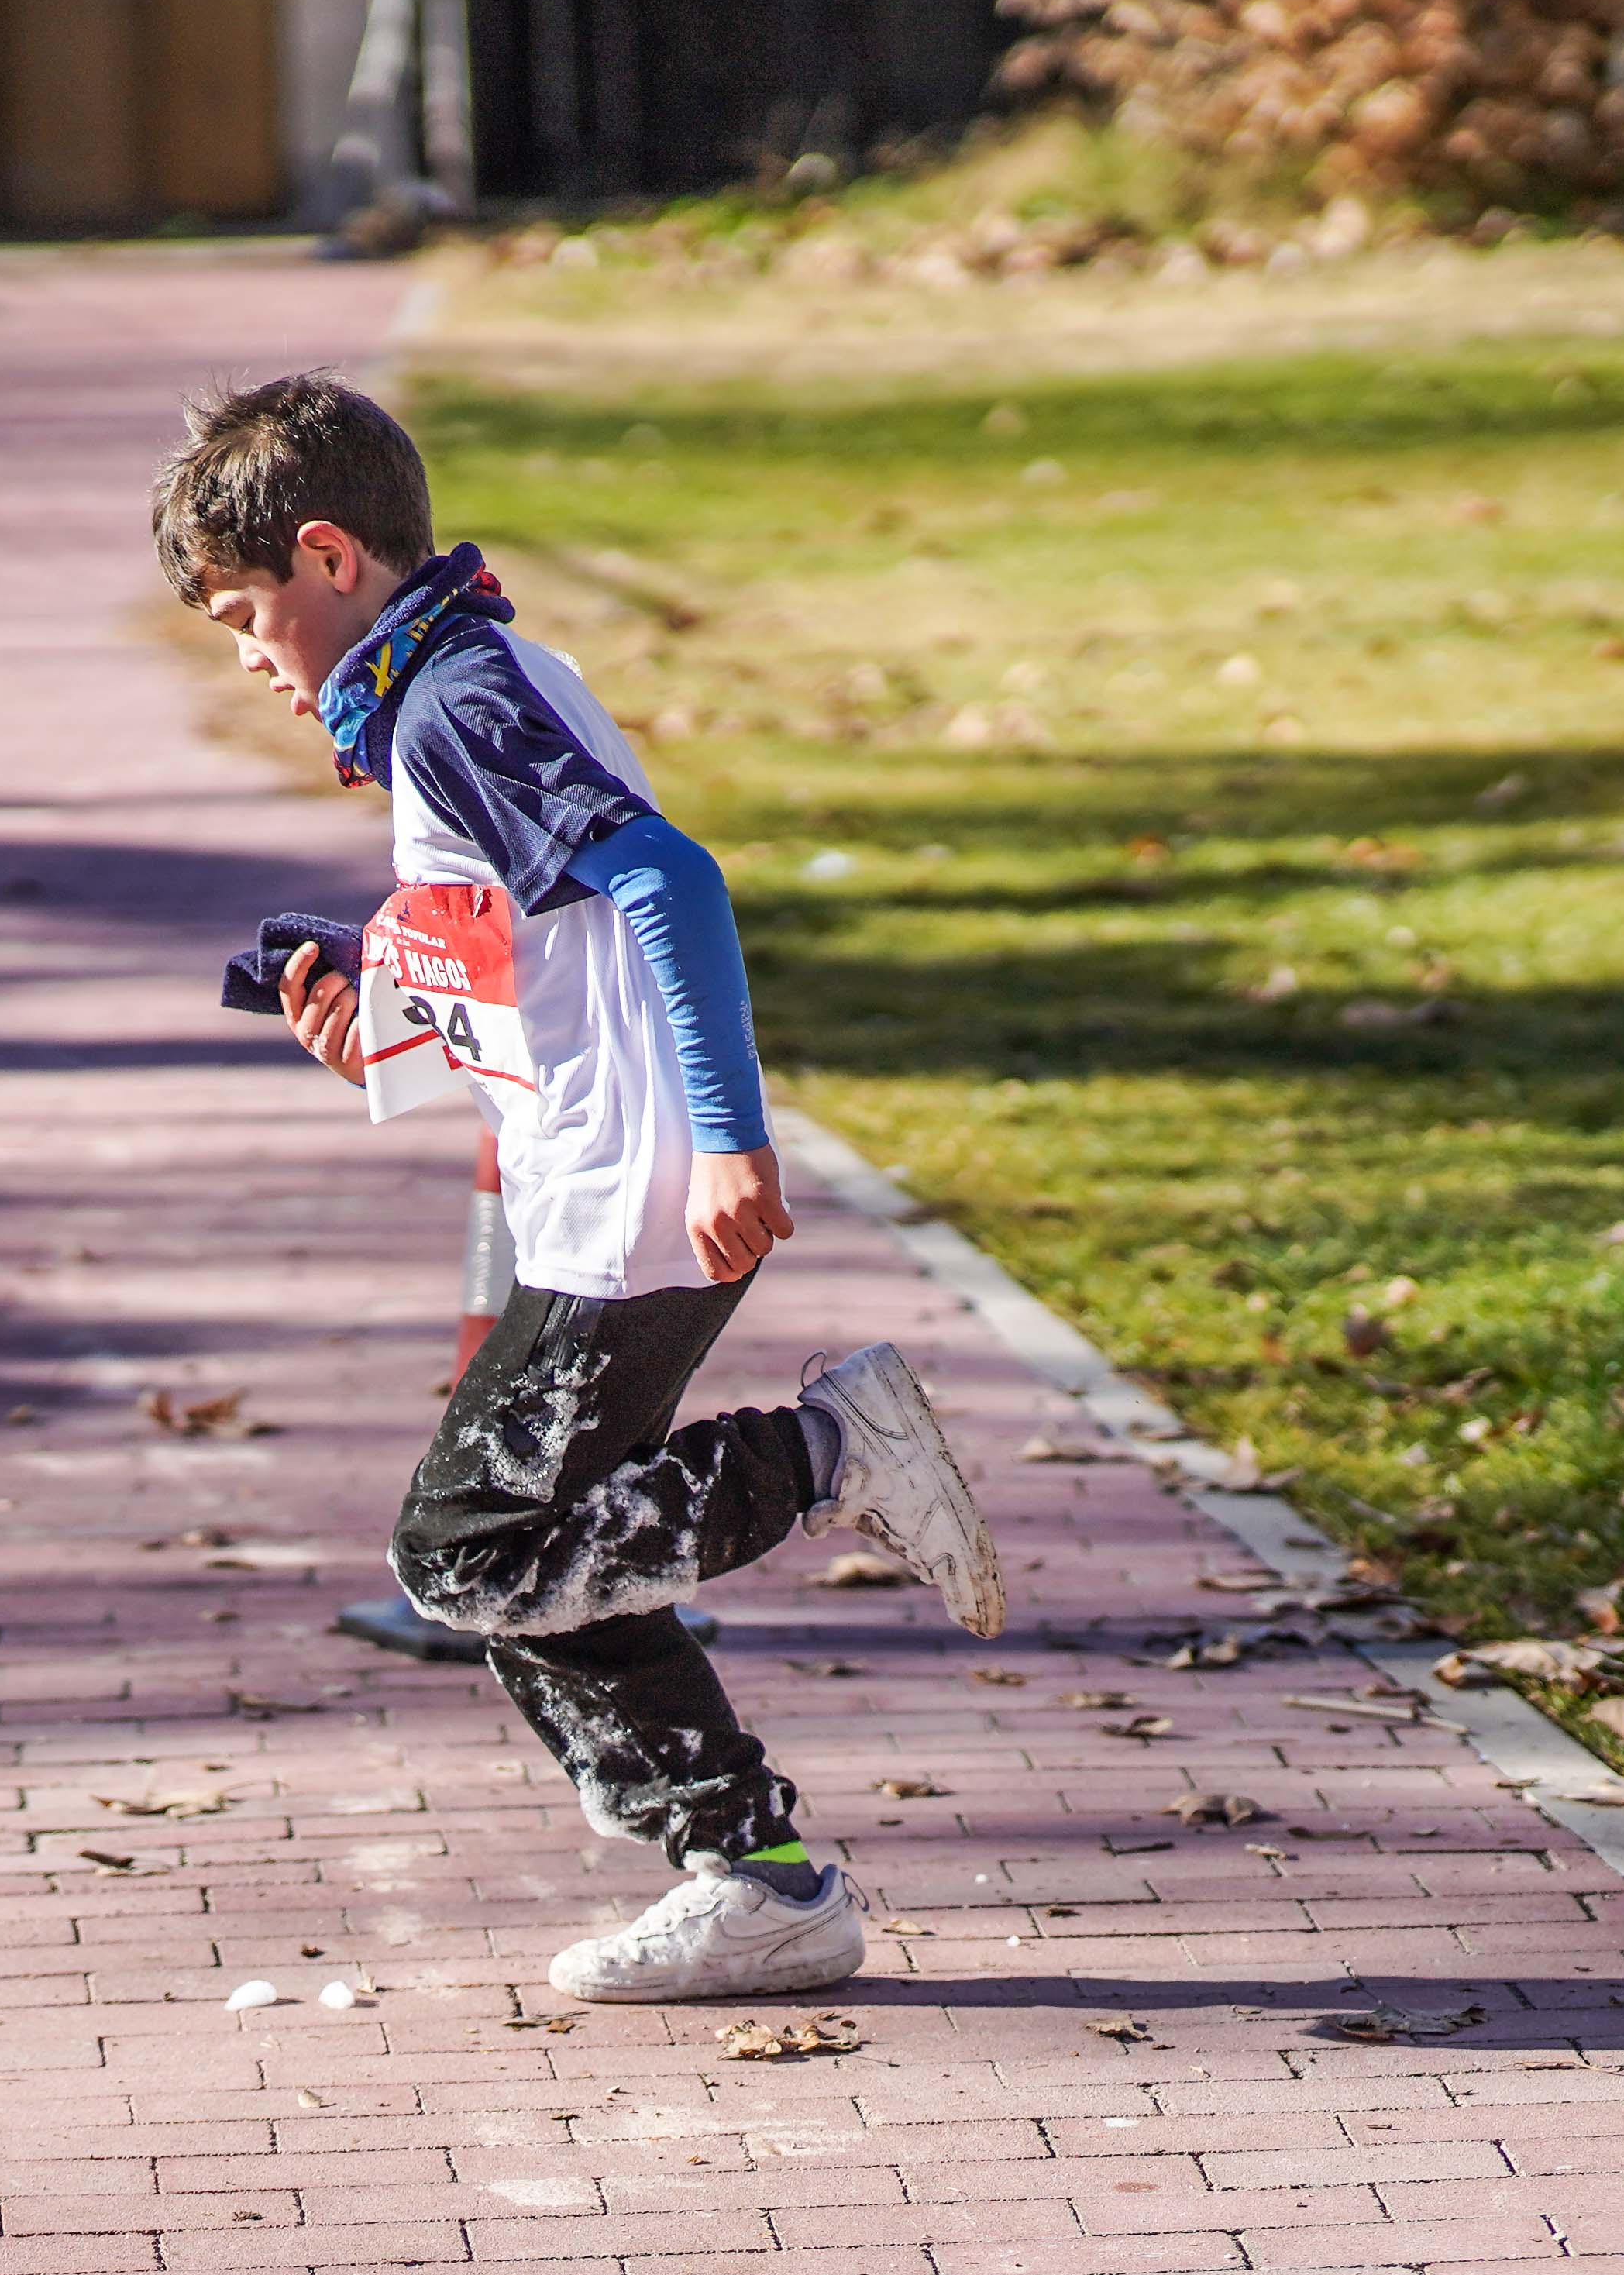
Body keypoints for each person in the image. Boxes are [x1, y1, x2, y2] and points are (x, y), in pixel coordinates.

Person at [154, 373, 1001, 2003]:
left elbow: (670, 878)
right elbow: (528, 962)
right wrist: (374, 1017)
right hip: (601, 1181)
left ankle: (828, 1453)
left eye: (247, 613)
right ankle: (755, 1874)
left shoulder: (461, 700)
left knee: (467, 1549)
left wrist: (736, 1138)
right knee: (533, 1557)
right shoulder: (452, 694)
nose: (251, 656)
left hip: (640, 1197)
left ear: (329, 558)